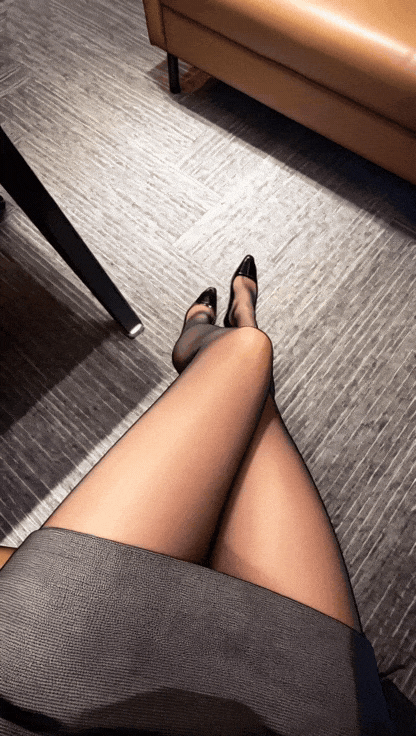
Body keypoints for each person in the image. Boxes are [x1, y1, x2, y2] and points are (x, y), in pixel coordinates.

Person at [0, 255, 397, 735]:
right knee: (249, 361)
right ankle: (220, 343)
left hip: (40, 664)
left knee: (246, 365)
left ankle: (216, 348)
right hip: (307, 713)